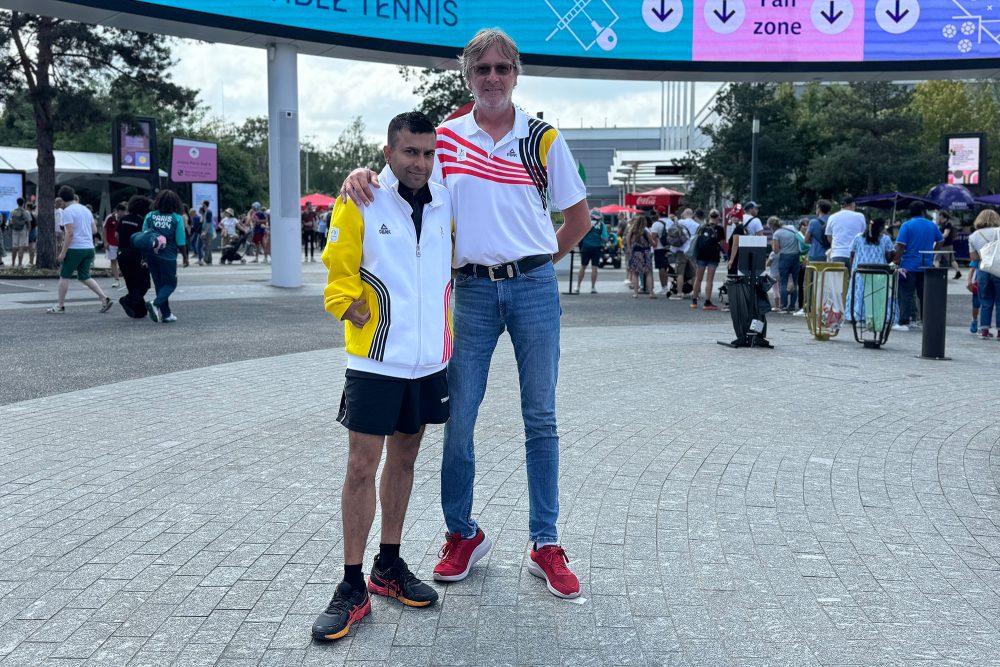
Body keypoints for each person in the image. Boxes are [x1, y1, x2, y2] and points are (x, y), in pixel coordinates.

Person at [341, 28, 591, 600]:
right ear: (468, 75)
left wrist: (534, 261)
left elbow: (577, 221)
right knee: (459, 418)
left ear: (516, 74)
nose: (494, 78)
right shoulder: (446, 139)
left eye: (504, 68)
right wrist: (357, 177)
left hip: (532, 287)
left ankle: (545, 542)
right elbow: (398, 182)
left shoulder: (544, 138)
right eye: (483, 69)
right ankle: (461, 532)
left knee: (541, 419)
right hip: (472, 291)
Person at [311, 111, 448, 642]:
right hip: (375, 359)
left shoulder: (445, 202)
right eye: (409, 152)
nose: (419, 162)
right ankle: (350, 585)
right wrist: (347, 305)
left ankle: (387, 566)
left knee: (406, 458)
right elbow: (337, 265)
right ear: (388, 154)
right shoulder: (360, 196)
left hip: (428, 361)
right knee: (360, 465)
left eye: (427, 152)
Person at [46, 185, 114, 314]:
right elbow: (94, 230)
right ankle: (104, 298)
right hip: (89, 247)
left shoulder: (67, 212)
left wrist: (62, 253)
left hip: (75, 248)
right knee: (84, 276)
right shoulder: (85, 210)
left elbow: (69, 233)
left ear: (62, 199)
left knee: (64, 276)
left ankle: (60, 306)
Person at [892, 200, 943, 329]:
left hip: (908, 266)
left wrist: (896, 261)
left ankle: (904, 322)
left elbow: (900, 246)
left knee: (906, 295)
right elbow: (941, 241)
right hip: (926, 266)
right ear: (923, 211)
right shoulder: (932, 226)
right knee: (925, 295)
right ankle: (926, 321)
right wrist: (932, 252)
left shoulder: (906, 225)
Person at [141, 189, 187, 323]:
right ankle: (155, 304)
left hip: (151, 255)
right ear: (175, 204)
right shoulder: (176, 218)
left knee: (160, 285)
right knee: (171, 284)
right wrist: (185, 257)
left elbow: (144, 238)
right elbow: (181, 241)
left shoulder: (149, 216)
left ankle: (166, 314)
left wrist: (144, 257)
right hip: (168, 256)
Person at [847, 218, 897, 328]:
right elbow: (890, 256)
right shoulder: (885, 239)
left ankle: (859, 317)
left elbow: (852, 254)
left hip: (860, 271)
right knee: (877, 294)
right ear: (881, 228)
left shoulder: (858, 237)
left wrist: (852, 270)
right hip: (879, 272)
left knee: (860, 294)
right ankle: (881, 316)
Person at [116, 194, 152, 319]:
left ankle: (139, 311)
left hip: (121, 254)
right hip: (135, 254)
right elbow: (144, 239)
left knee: (131, 283)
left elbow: (117, 236)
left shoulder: (123, 219)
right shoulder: (142, 221)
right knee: (144, 283)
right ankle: (127, 300)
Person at [967, 209, 1000, 338]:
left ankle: (984, 330)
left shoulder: (973, 236)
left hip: (983, 270)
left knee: (985, 300)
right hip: (998, 270)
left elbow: (974, 258)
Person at [691, 209, 725, 310]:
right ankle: (707, 302)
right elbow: (722, 244)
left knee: (698, 278)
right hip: (713, 256)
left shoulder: (701, 227)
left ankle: (694, 301)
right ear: (718, 217)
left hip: (701, 255)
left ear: (709, 216)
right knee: (709, 280)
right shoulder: (720, 229)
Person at [770, 217, 801, 313]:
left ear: (772, 226)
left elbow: (775, 250)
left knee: (783, 281)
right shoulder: (792, 227)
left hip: (785, 257)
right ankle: (792, 306)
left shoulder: (777, 233)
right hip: (796, 256)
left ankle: (783, 305)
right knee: (794, 282)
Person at [825, 196, 866, 267]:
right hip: (854, 255)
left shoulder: (832, 217)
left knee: (838, 278)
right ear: (853, 204)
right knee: (853, 277)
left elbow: (829, 237)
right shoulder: (860, 216)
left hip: (837, 254)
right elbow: (863, 235)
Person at [575, 209, 607, 294]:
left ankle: (578, 286)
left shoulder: (586, 223)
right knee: (594, 268)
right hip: (596, 248)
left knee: (583, 267)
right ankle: (593, 287)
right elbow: (605, 238)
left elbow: (580, 235)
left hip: (585, 247)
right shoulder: (602, 225)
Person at [626, 214, 656, 299]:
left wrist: (630, 250)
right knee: (648, 273)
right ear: (645, 223)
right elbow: (652, 243)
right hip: (645, 253)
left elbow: (628, 244)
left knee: (635, 274)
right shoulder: (646, 232)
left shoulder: (632, 231)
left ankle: (635, 293)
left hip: (635, 253)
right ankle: (651, 292)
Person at [649, 209, 672, 296]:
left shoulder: (656, 224)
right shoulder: (671, 222)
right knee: (666, 267)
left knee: (661, 267)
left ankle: (664, 287)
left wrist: (653, 246)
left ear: (658, 214)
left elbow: (653, 236)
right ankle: (666, 286)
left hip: (659, 248)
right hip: (669, 248)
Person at [104, 202, 125, 288]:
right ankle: (116, 280)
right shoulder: (110, 217)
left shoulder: (125, 218)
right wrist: (105, 241)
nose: (124, 213)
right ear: (118, 211)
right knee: (113, 261)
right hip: (111, 243)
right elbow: (104, 229)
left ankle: (127, 279)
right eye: (123, 211)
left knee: (123, 262)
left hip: (122, 244)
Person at [936, 210, 962, 279]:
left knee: (950, 259)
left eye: (939, 215)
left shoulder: (948, 224)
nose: (938, 217)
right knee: (937, 259)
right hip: (943, 244)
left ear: (942, 215)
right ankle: (958, 272)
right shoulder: (942, 224)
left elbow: (946, 234)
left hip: (946, 244)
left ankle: (937, 274)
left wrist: (938, 237)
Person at [8, 197, 30, 268]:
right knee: (21, 247)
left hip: (14, 230)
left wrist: (10, 230)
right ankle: (20, 264)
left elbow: (10, 222)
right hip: (23, 230)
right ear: (23, 203)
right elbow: (28, 222)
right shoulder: (26, 212)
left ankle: (13, 263)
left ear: (17, 203)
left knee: (14, 247)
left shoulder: (12, 212)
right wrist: (28, 231)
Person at [199, 200, 216, 265]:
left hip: (208, 231)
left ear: (205, 205)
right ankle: (209, 260)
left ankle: (205, 260)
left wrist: (205, 232)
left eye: (202, 205)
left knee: (207, 246)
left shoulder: (208, 212)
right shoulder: (206, 212)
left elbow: (208, 223)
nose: (201, 206)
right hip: (207, 231)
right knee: (208, 246)